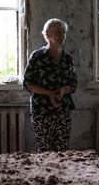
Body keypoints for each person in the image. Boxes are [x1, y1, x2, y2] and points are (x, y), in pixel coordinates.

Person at [23, 18, 77, 152]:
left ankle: (61, 174)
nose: (62, 36)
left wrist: (64, 90)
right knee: (45, 149)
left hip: (62, 110)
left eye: (64, 32)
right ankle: (46, 174)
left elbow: (73, 84)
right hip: (42, 111)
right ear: (47, 35)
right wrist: (49, 94)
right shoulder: (37, 56)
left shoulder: (67, 59)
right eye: (58, 32)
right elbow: (28, 84)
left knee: (62, 149)